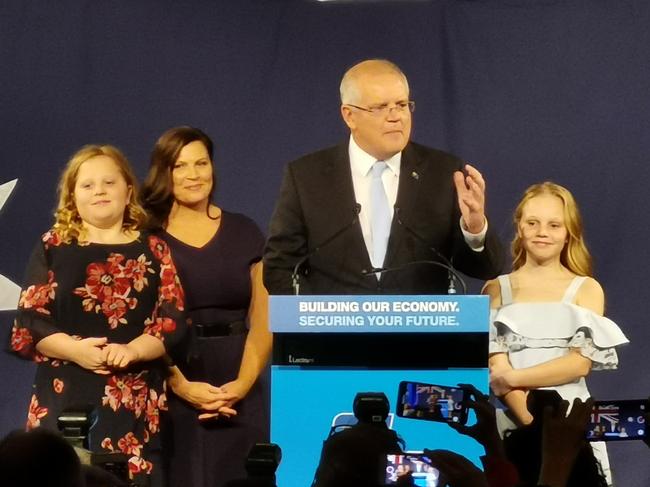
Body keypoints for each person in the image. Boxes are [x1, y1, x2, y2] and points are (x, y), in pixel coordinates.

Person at [10, 145, 186, 486]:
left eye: (109, 182)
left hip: (134, 399)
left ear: (128, 190)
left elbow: (172, 321)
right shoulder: (53, 245)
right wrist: (76, 350)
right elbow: (30, 320)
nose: (100, 191)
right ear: (72, 195)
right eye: (88, 185)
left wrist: (133, 350)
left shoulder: (154, 248)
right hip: (64, 393)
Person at [263, 58, 503, 295]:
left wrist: (475, 229)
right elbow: (279, 268)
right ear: (349, 116)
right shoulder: (307, 176)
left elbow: (486, 268)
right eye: (380, 107)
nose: (395, 116)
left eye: (401, 104)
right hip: (333, 331)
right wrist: (320, 318)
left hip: (419, 331)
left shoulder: (443, 172)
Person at [140, 126, 272, 487]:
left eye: (201, 163)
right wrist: (181, 386)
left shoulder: (246, 230)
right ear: (164, 173)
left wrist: (242, 385)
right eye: (181, 166)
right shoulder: (146, 235)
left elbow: (263, 318)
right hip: (171, 376)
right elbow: (140, 321)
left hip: (239, 378)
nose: (194, 175)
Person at [484, 182, 629, 484]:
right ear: (519, 227)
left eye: (554, 225)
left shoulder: (586, 289)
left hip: (572, 428)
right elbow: (497, 364)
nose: (542, 232)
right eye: (532, 223)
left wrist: (512, 380)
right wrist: (529, 421)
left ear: (568, 232)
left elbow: (579, 363)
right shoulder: (497, 289)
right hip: (514, 425)